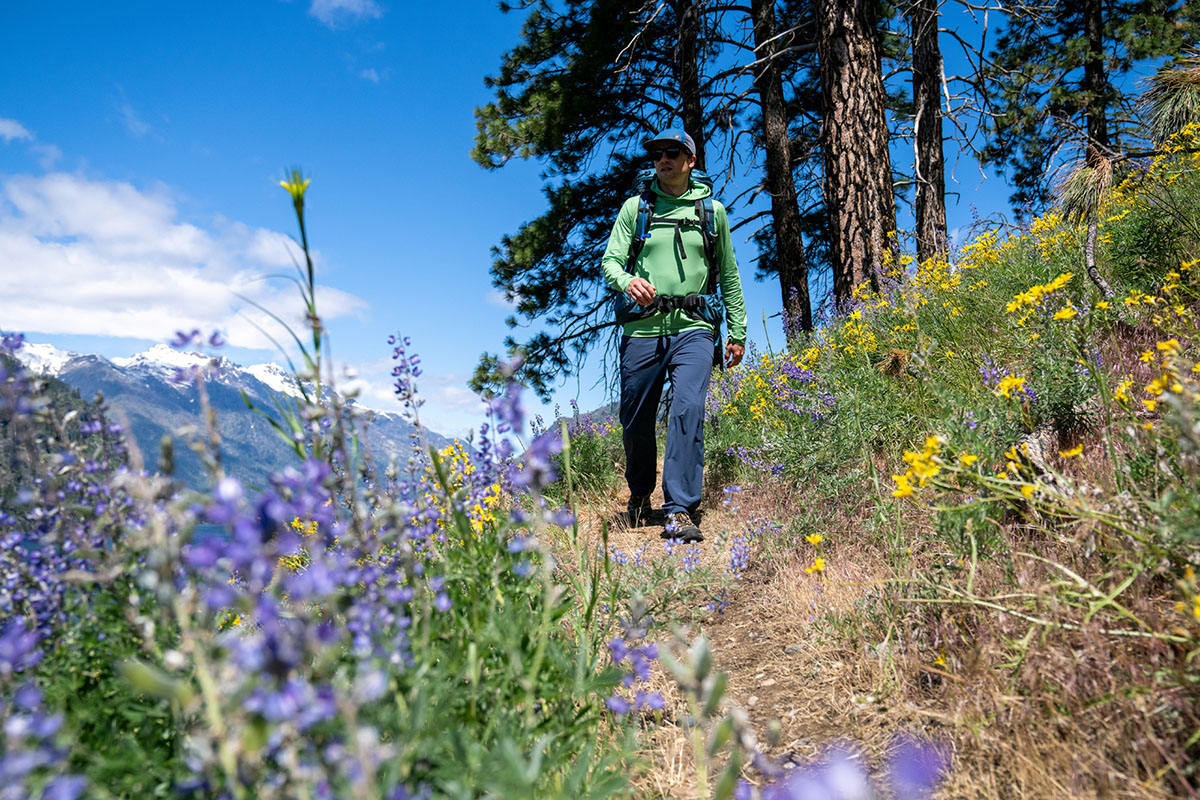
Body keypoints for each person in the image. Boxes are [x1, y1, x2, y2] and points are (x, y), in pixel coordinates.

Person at [600, 127, 747, 543]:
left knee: (687, 409)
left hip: (695, 329)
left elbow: (730, 276)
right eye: (657, 153)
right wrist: (629, 282)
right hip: (642, 329)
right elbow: (610, 262)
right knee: (635, 420)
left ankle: (680, 508)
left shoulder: (712, 213)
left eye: (673, 152)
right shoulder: (636, 208)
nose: (663, 159)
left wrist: (737, 330)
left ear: (690, 160)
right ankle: (640, 494)